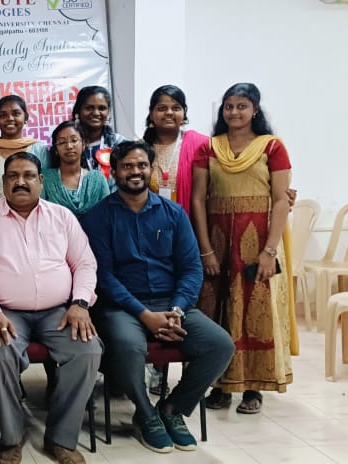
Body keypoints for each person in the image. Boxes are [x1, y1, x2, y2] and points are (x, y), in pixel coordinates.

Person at [80, 141, 234, 454]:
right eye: (127, 166)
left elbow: (191, 268)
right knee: (129, 346)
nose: (135, 172)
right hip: (122, 307)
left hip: (172, 303)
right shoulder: (97, 217)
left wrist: (177, 309)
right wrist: (144, 315)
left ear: (151, 169)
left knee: (220, 345)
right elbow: (103, 277)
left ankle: (172, 409)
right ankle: (145, 413)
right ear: (115, 171)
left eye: (141, 165)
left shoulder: (173, 213)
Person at [0, 152, 102, 464]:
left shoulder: (62, 217)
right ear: (3, 182)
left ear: (40, 181)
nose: (20, 182)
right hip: (4, 313)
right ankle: (12, 436)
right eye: (13, 176)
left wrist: (80, 303)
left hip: (59, 312)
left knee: (87, 351)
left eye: (28, 176)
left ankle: (61, 438)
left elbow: (84, 263)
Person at [191, 83, 293, 414]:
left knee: (253, 312)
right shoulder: (209, 148)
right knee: (216, 309)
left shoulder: (272, 147)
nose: (234, 112)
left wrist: (269, 251)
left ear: (255, 110)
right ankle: (220, 386)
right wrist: (205, 249)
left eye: (241, 106)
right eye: (229, 106)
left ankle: (253, 388)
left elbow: (281, 200)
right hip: (218, 242)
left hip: (258, 242)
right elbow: (198, 200)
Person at [0, 95, 49, 210]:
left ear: (26, 118)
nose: (10, 118)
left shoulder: (39, 149)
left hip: (35, 216)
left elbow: (47, 188)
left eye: (16, 113)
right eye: (3, 115)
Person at [141, 85, 210, 212]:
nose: (169, 112)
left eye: (176, 108)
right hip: (150, 219)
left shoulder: (201, 145)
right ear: (151, 113)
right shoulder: (140, 149)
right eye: (162, 108)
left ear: (184, 112)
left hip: (189, 219)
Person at [41, 120, 109, 219]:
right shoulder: (45, 179)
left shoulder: (98, 179)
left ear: (83, 144)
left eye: (74, 140)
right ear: (56, 149)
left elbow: (108, 215)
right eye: (62, 142)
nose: (69, 146)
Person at [72, 86, 126, 189]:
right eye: (89, 108)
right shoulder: (68, 144)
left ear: (108, 112)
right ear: (78, 110)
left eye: (102, 108)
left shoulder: (119, 143)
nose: (96, 113)